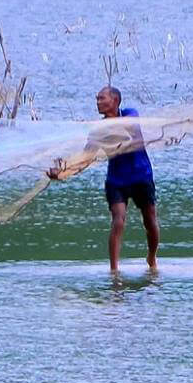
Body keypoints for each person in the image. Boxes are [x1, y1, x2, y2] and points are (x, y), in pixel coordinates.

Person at [49, 85, 159, 272]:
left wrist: (105, 128)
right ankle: (114, 269)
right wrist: (63, 171)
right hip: (117, 180)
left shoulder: (130, 114)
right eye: (97, 99)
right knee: (118, 219)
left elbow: (126, 129)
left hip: (141, 175)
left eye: (102, 98)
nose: (98, 102)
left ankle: (152, 256)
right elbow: (86, 157)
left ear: (115, 101)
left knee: (149, 220)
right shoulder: (98, 130)